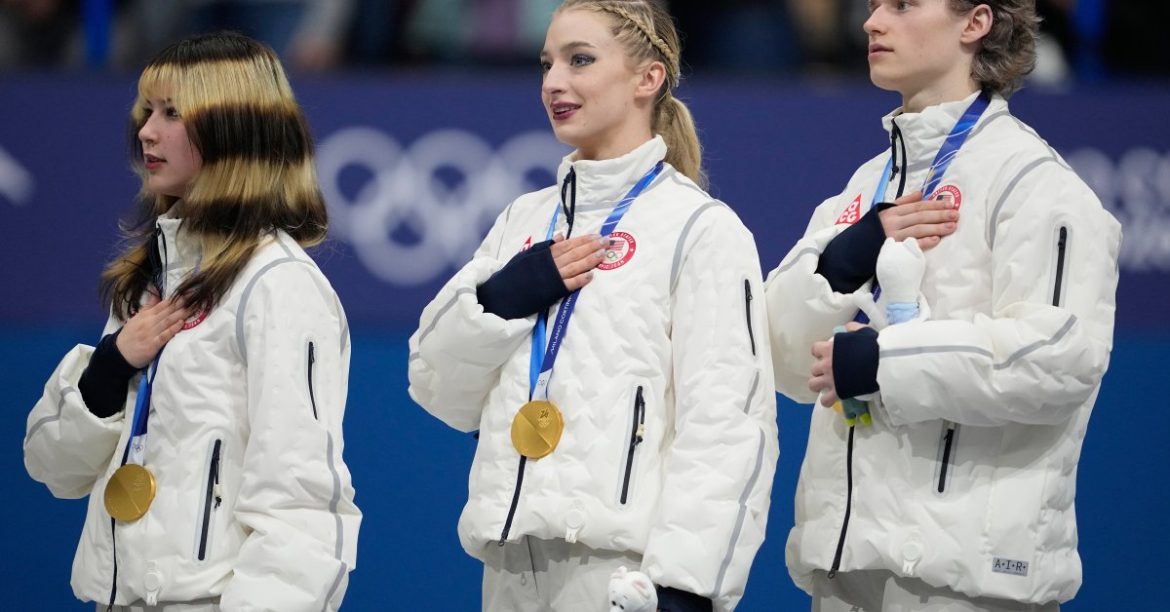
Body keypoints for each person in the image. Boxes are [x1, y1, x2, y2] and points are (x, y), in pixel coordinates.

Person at [407, 1, 778, 610]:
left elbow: (728, 426)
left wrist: (687, 585)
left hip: (624, 576)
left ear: (647, 78)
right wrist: (503, 300)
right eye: (547, 63)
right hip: (508, 566)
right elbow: (435, 386)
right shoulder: (523, 221)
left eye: (580, 60)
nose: (554, 82)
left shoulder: (701, 228)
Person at [764, 1, 1120, 610]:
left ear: (975, 22)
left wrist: (885, 362)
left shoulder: (1034, 182)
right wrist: (836, 267)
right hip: (844, 569)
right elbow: (783, 364)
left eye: (902, 5)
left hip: (967, 580)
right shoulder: (861, 190)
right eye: (873, 5)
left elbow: (1060, 358)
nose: (872, 22)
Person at [22, 32, 360, 610]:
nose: (146, 132)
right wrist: (109, 369)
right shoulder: (150, 279)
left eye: (172, 113)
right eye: (147, 111)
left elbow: (302, 511)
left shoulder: (279, 284)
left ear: (232, 128)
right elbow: (52, 467)